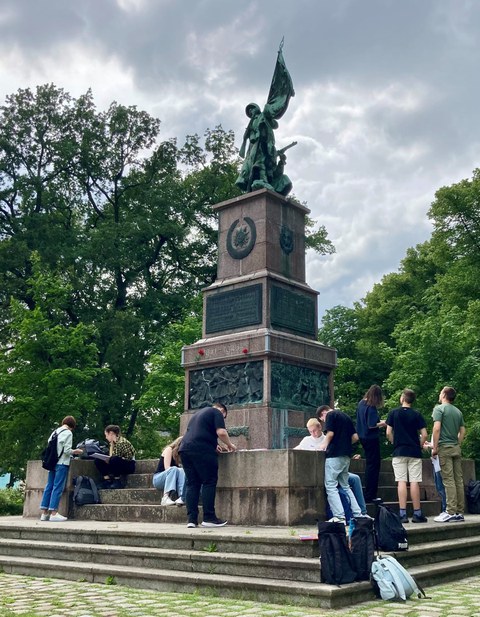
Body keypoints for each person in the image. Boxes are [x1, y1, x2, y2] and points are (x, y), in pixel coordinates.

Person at [179, 402, 237, 528]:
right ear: (222, 410)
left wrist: (214, 445)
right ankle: (209, 517)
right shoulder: (217, 412)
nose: (223, 419)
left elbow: (199, 433)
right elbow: (221, 432)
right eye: (224, 417)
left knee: (192, 483)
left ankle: (192, 520)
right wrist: (229, 444)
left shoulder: (196, 415)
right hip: (202, 450)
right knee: (209, 481)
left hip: (184, 449)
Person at [295, 417, 368, 515]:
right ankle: (355, 513)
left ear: (320, 427)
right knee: (345, 484)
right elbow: (296, 450)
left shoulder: (327, 439)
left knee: (355, 479)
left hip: (332, 469)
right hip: (320, 471)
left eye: (314, 431)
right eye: (310, 431)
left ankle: (362, 511)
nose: (313, 434)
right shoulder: (306, 440)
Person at [386, 389, 428, 523]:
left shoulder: (394, 413)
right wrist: (419, 445)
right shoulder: (417, 414)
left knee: (401, 481)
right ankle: (417, 513)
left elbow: (388, 432)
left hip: (399, 451)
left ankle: (402, 513)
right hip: (414, 451)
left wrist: (394, 442)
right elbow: (425, 434)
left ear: (403, 398)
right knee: (415, 481)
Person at [319, 408, 363, 523]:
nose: (324, 421)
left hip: (334, 455)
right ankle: (358, 514)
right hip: (346, 456)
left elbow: (330, 433)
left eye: (322, 419)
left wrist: (322, 446)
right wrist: (345, 444)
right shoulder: (346, 416)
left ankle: (339, 517)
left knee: (330, 485)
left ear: (323, 413)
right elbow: (355, 437)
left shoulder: (330, 415)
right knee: (346, 486)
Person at [432, 387, 466, 522]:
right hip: (456, 448)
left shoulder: (439, 409)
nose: (439, 394)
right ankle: (459, 511)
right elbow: (462, 431)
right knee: (459, 480)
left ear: (445, 395)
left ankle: (450, 511)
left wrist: (435, 447)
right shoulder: (458, 412)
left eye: (441, 392)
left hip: (444, 448)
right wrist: (457, 443)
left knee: (448, 480)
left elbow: (436, 428)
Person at [40, 416, 83, 522]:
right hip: (62, 463)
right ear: (72, 426)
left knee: (49, 486)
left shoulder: (55, 432)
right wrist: (76, 451)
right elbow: (67, 450)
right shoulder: (68, 433)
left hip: (52, 462)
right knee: (57, 487)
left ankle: (44, 513)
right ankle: (54, 513)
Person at [355, 385, 386, 502]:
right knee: (374, 466)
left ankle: (368, 493)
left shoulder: (361, 404)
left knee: (369, 465)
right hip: (371, 438)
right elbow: (372, 424)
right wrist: (383, 423)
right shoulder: (371, 407)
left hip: (362, 436)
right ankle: (370, 494)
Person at [94, 425, 136, 489]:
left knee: (115, 459)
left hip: (129, 465)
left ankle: (117, 480)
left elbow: (129, 458)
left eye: (106, 435)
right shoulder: (112, 443)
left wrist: (110, 459)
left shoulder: (122, 442)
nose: (106, 437)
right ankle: (107, 480)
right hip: (116, 463)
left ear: (111, 433)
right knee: (98, 460)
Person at [153, 436, 186, 506]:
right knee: (173, 469)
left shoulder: (181, 456)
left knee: (182, 470)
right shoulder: (169, 450)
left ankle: (182, 497)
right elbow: (167, 468)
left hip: (171, 478)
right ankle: (165, 497)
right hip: (158, 479)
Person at [423, 436, 447, 513]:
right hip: (436, 463)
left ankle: (446, 510)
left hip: (439, 463)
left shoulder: (438, 428)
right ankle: (446, 509)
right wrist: (430, 444)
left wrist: (429, 446)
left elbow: (441, 444)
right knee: (439, 487)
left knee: (441, 488)